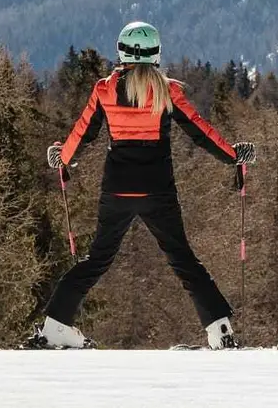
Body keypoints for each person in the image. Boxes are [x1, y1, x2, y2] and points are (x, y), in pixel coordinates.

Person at [29, 21, 249, 349]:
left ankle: (55, 327)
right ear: (156, 53)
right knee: (183, 260)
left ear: (121, 51)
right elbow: (201, 133)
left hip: (117, 190)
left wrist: (62, 158)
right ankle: (220, 330)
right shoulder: (168, 90)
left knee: (96, 260)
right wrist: (234, 156)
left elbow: (82, 133)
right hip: (158, 190)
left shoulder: (105, 89)